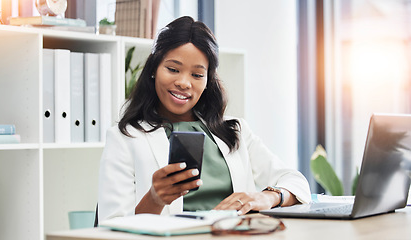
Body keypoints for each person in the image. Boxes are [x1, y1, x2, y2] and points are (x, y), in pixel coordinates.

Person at [98, 16, 311, 221]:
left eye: (197, 75)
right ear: (154, 69)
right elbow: (112, 227)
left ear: (208, 80)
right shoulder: (124, 138)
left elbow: (296, 182)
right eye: (173, 69)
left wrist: (267, 196)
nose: (184, 83)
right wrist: (155, 198)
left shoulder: (234, 131)